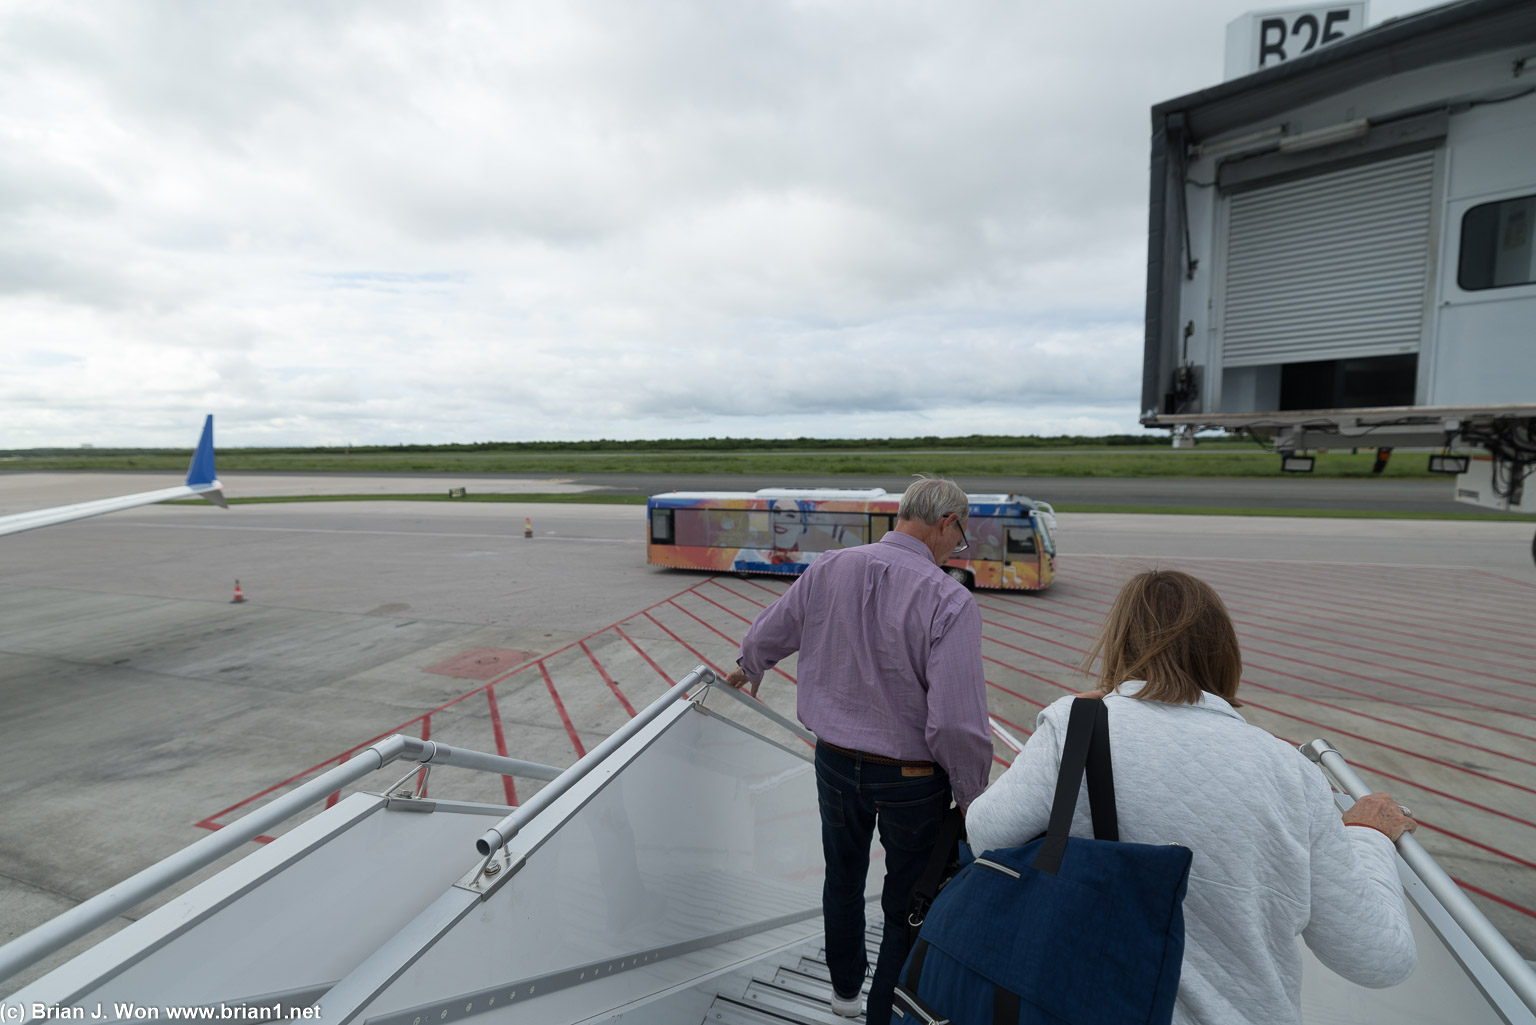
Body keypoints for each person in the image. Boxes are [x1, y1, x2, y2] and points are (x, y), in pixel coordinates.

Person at [965, 569, 1417, 1025]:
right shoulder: (1293, 773)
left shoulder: (1076, 729)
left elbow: (985, 835)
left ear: (1119, 644)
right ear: (1224, 654)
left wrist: (1070, 723)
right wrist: (1367, 836)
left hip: (1083, 1004)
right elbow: (1379, 958)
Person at [726, 475, 993, 1025]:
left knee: (842, 880)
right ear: (946, 524)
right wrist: (971, 798)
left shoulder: (830, 566)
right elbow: (956, 725)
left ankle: (844, 993)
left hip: (833, 760)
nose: (956, 549)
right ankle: (881, 1013)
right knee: (905, 902)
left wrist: (750, 664)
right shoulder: (949, 599)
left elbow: (771, 630)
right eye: (959, 537)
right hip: (913, 779)